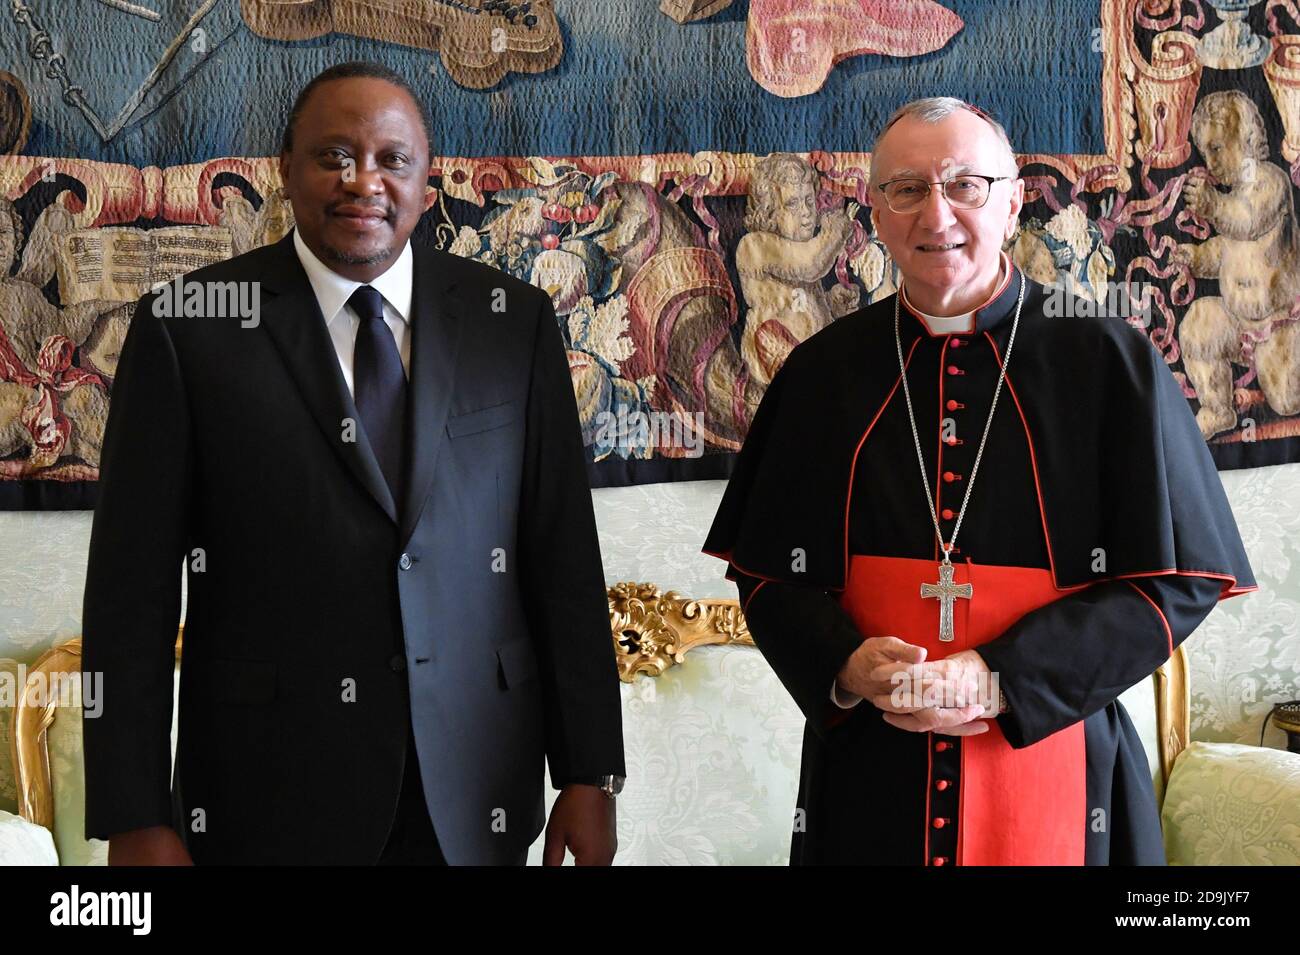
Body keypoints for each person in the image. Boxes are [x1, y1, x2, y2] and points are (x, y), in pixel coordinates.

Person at [82, 61, 625, 866]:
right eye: (333, 156)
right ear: (285, 169)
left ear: (427, 180)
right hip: (266, 793)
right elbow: (131, 594)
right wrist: (135, 814)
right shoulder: (187, 328)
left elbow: (564, 559)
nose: (362, 182)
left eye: (391, 160)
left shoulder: (512, 322)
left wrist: (590, 770)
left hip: (474, 787)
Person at [703, 97, 1257, 865]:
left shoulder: (1108, 361)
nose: (937, 214)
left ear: (1013, 202)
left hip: (1058, 765)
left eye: (966, 184)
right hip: (870, 771)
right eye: (907, 189)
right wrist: (844, 662)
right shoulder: (822, 373)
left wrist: (1004, 677)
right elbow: (767, 574)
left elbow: (1179, 581)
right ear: (875, 210)